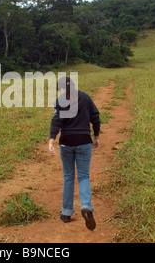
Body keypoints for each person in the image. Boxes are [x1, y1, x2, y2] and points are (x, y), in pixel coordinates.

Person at [48, 76, 100, 231]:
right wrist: (96, 137)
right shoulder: (85, 97)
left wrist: (51, 139)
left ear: (62, 88)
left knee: (68, 176)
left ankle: (66, 212)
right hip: (84, 140)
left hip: (66, 142)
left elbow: (56, 120)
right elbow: (95, 117)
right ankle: (86, 206)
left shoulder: (60, 100)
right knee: (83, 176)